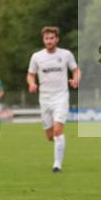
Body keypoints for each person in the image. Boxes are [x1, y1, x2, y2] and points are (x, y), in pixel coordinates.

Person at [27, 26, 80, 172]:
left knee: (58, 130)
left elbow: (75, 70)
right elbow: (30, 74)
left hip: (61, 97)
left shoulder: (66, 54)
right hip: (44, 99)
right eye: (46, 38)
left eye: (51, 38)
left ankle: (57, 164)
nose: (49, 41)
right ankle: (57, 147)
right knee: (50, 136)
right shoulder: (37, 56)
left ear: (57, 39)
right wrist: (32, 83)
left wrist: (75, 80)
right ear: (43, 40)